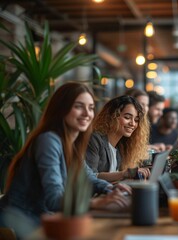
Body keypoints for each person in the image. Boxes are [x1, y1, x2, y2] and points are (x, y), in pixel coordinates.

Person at [0, 83, 131, 236]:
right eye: (78, 106)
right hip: (21, 224)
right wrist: (97, 202)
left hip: (43, 220)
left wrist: (111, 189)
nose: (86, 114)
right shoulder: (49, 140)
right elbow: (54, 199)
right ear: (61, 109)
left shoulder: (71, 143)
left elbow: (88, 177)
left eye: (90, 108)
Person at [86, 95, 151, 183]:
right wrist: (125, 173)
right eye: (127, 117)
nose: (133, 124)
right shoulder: (95, 139)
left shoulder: (122, 146)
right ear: (112, 116)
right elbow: (90, 177)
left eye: (136, 120)